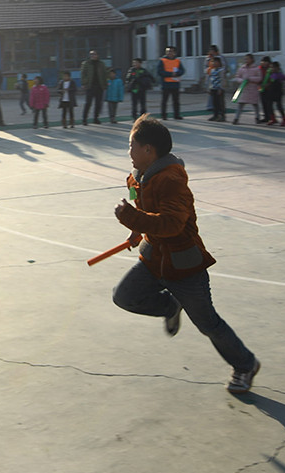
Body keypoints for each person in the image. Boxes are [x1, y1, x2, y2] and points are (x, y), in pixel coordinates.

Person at [111, 115, 260, 394]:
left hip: (184, 264)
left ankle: (245, 364)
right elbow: (138, 203)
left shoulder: (172, 181)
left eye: (131, 145)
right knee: (124, 296)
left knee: (207, 323)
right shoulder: (135, 178)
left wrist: (133, 219)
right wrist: (135, 230)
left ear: (148, 150)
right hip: (154, 257)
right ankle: (170, 306)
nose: (128, 151)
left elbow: (171, 224)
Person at [231, 54, 260, 124]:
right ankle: (236, 118)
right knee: (240, 104)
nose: (246, 60)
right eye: (245, 59)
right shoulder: (242, 68)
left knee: (255, 104)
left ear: (252, 59)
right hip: (243, 89)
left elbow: (259, 78)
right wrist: (242, 80)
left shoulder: (256, 68)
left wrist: (250, 79)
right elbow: (237, 77)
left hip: (253, 89)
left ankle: (257, 117)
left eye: (248, 59)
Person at [80, 50, 108, 125]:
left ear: (97, 55)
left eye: (94, 54)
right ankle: (84, 119)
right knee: (88, 103)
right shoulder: (86, 63)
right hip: (90, 86)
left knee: (98, 103)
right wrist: (84, 83)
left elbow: (105, 74)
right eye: (91, 54)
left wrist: (105, 84)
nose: (93, 56)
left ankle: (96, 118)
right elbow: (83, 74)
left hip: (99, 86)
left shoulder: (101, 64)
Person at [156, 48, 183, 120]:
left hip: (175, 83)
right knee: (164, 100)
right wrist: (170, 74)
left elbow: (182, 70)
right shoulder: (162, 61)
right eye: (167, 52)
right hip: (166, 84)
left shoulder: (177, 61)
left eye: (171, 51)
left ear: (174, 53)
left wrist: (177, 73)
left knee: (176, 101)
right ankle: (164, 115)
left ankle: (176, 115)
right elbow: (160, 72)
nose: (169, 53)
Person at [260, 60, 285, 126]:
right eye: (271, 67)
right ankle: (273, 119)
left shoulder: (280, 75)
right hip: (271, 92)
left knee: (279, 106)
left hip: (278, 92)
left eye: (273, 67)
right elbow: (269, 82)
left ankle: (284, 119)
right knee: (269, 105)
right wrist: (265, 86)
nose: (271, 69)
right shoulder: (271, 75)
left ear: (277, 68)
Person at [203, 55, 226, 121]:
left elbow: (222, 79)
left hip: (219, 89)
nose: (214, 63)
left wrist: (221, 88)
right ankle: (215, 115)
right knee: (214, 103)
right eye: (213, 62)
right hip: (213, 88)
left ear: (219, 63)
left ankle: (222, 116)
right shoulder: (212, 70)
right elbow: (210, 79)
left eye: (215, 62)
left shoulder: (221, 70)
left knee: (220, 103)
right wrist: (209, 88)